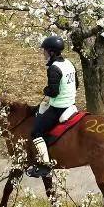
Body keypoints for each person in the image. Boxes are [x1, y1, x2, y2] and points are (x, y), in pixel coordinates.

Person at [27, 35, 77, 177]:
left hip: (59, 107)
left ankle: (45, 166)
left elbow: (54, 92)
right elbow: (76, 84)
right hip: (71, 104)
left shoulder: (54, 68)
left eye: (45, 51)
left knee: (36, 131)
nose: (44, 53)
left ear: (52, 52)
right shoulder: (69, 63)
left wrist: (45, 90)